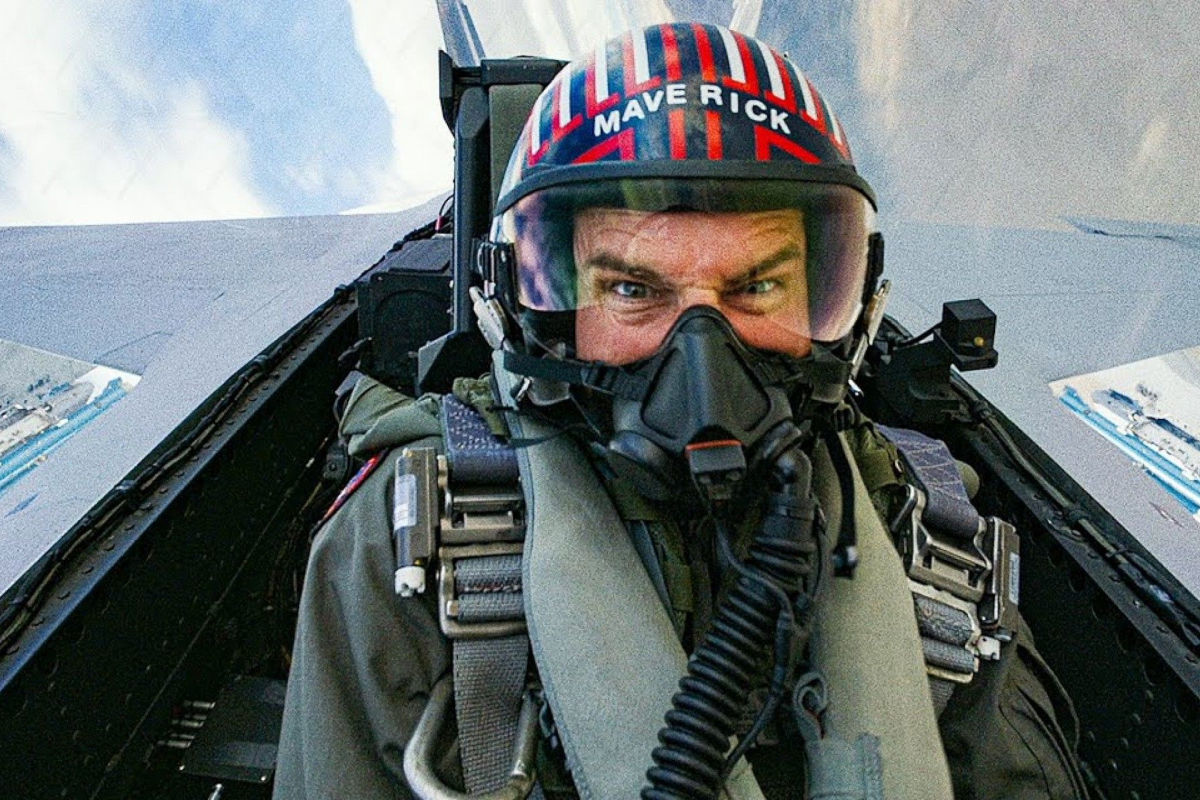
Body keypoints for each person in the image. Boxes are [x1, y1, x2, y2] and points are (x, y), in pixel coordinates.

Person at [275, 22, 1088, 800]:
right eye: (632, 288)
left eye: (758, 285)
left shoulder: (931, 543)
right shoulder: (412, 543)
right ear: (538, 314)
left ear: (839, 295)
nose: (704, 361)